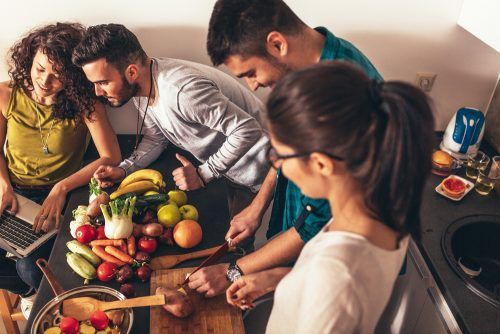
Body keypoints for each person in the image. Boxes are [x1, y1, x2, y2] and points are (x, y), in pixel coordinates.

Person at [188, 0, 383, 297]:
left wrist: (233, 270)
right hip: (302, 233)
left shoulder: (336, 101)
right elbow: (284, 155)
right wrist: (257, 207)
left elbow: (318, 224)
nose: (253, 86)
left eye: (251, 72)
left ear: (277, 43)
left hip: (336, 262)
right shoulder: (307, 67)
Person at [226, 61, 435, 333]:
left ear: (322, 164)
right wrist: (283, 278)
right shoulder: (381, 208)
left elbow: (336, 286)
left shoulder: (336, 277)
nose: (275, 165)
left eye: (280, 154)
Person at [71, 24, 269, 221]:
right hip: (232, 170)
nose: (97, 92)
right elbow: (156, 138)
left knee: (264, 241)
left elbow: (247, 129)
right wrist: (125, 169)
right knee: (234, 242)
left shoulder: (182, 93)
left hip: (270, 168)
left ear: (131, 73)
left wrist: (204, 173)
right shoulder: (142, 83)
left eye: (103, 83)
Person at [0, 23, 121, 317]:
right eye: (40, 68)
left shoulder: (83, 102)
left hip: (62, 196)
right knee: (23, 271)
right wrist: (3, 185)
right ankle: (32, 295)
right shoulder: (6, 94)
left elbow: (111, 156)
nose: (45, 81)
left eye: (57, 76)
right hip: (13, 191)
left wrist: (61, 188)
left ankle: (53, 303)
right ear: (29, 59)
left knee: (29, 264)